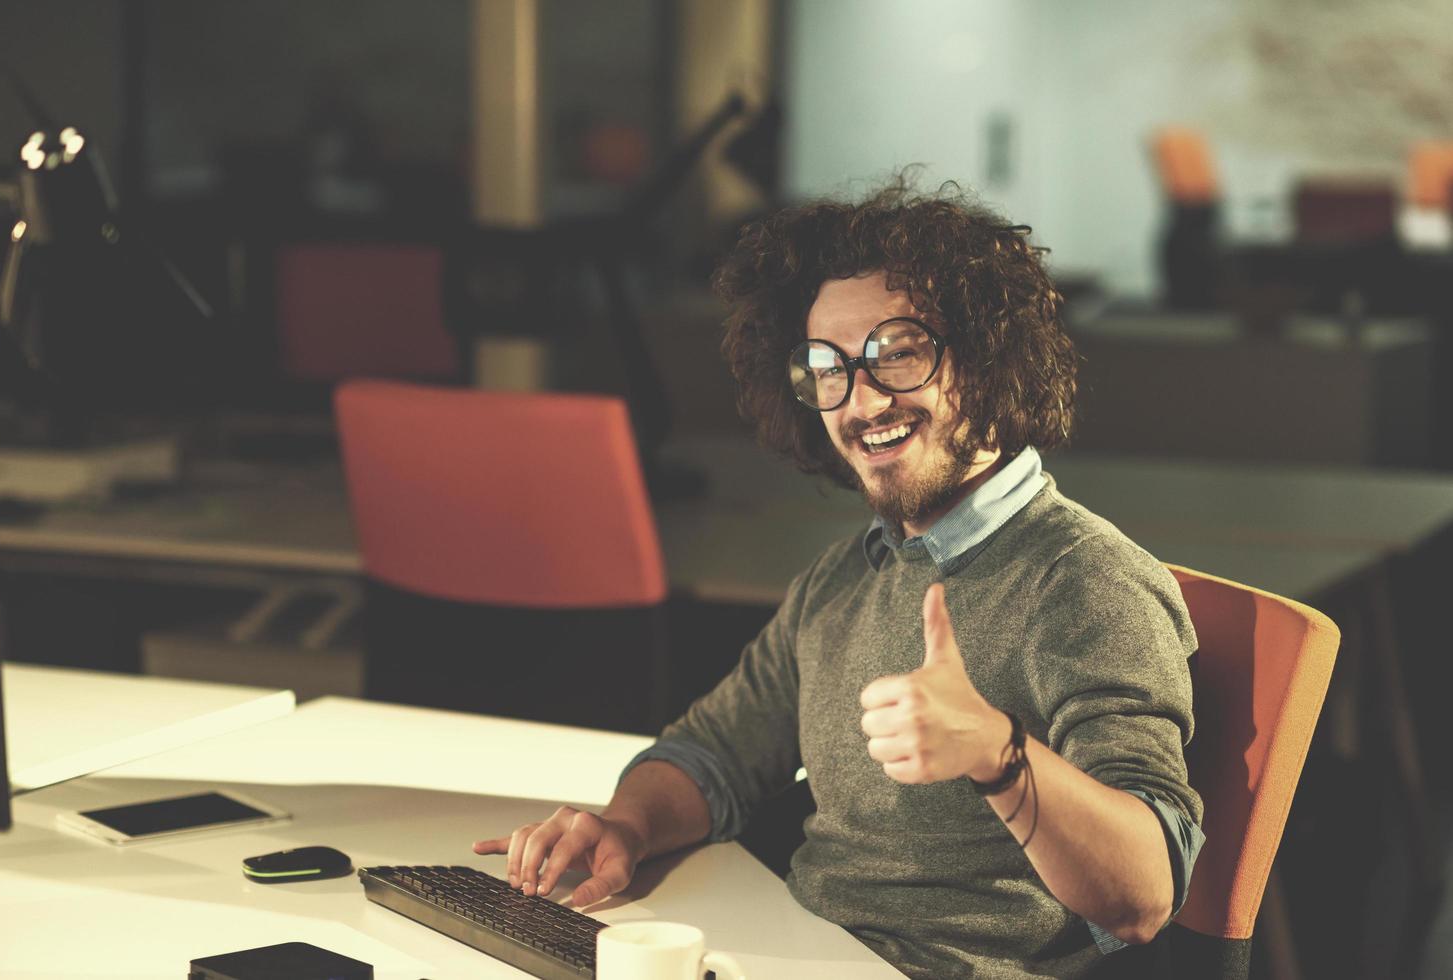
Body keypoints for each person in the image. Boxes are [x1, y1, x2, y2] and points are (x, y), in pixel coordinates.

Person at [474, 182, 1204, 979]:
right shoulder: (851, 573)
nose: (860, 400)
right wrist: (626, 827)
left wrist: (995, 753)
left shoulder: (1084, 581)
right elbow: (716, 751)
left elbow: (1143, 896)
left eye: (897, 353)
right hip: (790, 953)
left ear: (989, 359)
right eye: (828, 366)